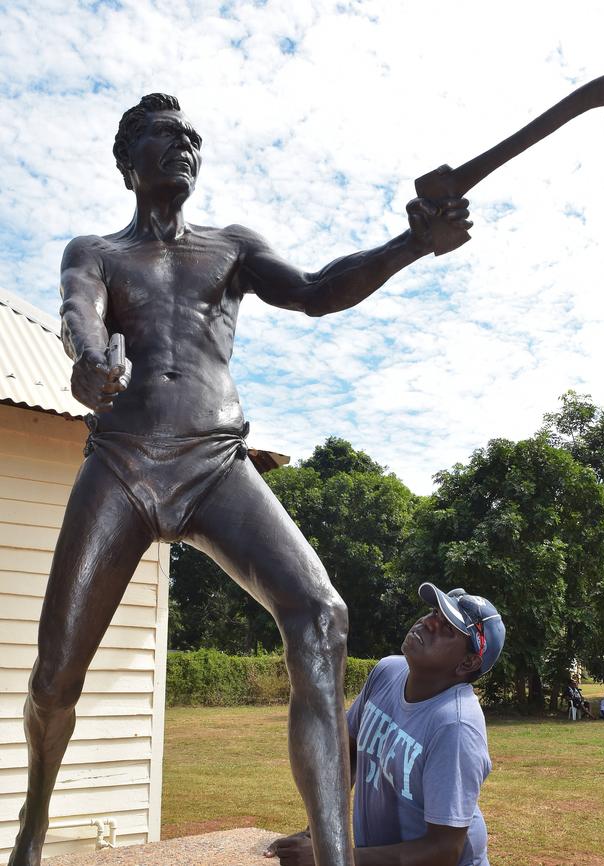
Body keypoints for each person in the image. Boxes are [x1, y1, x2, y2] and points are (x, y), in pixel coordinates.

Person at [9, 94, 472, 866]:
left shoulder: (230, 249)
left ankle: (335, 855)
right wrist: (89, 360)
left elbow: (318, 290)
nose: (184, 145)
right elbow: (77, 312)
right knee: (55, 677)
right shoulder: (95, 250)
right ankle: (32, 824)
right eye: (165, 135)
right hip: (123, 463)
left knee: (323, 614)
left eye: (193, 137)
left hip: (215, 462)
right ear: (128, 161)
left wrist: (412, 243)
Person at [265, 584, 506, 866]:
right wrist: (320, 836)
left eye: (447, 628)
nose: (428, 622)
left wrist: (338, 858)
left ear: (467, 663)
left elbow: (443, 850)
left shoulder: (456, 725)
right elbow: (349, 752)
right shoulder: (387, 671)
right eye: (433, 613)